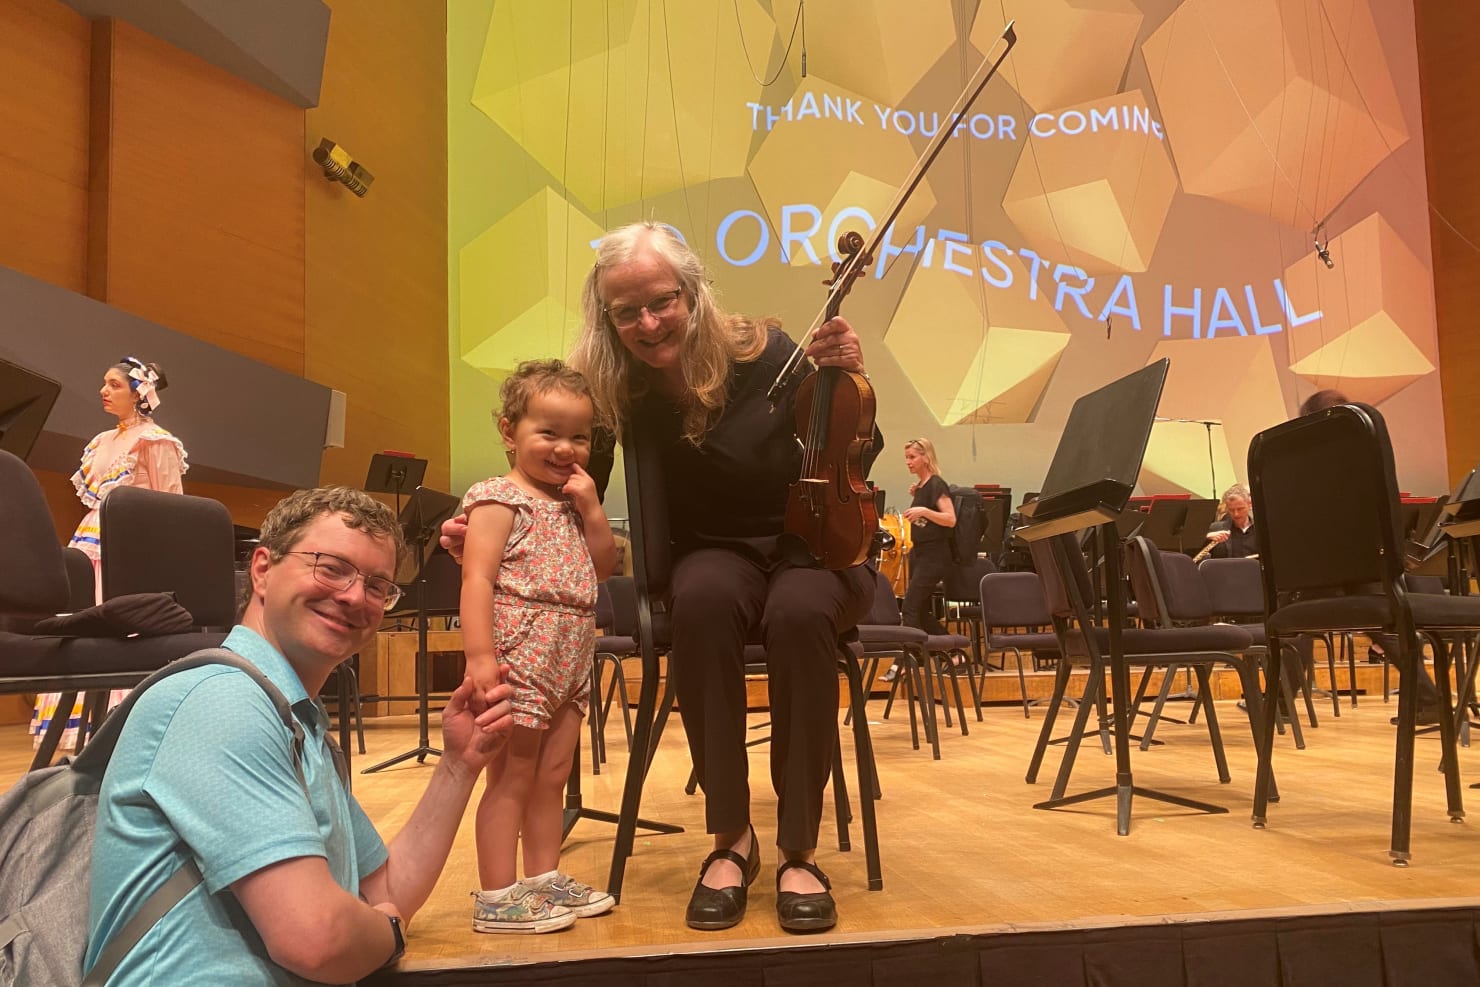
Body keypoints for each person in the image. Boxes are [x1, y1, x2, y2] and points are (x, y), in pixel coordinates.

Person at [443, 220, 881, 934]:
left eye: (662, 301)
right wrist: (489, 522)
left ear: (693, 292)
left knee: (800, 613)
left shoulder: (768, 352)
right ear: (606, 317)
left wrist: (847, 373)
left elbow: (855, 444)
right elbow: (560, 482)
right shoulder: (618, 390)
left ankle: (799, 849)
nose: (648, 323)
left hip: (812, 545)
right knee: (701, 601)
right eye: (627, 311)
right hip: (712, 553)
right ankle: (731, 840)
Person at [84, 487, 515, 984]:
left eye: (378, 586)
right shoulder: (221, 701)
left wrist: (458, 765)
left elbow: (385, 890)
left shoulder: (296, 724)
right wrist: (390, 933)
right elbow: (319, 940)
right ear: (262, 569)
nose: (355, 596)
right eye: (331, 568)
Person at [461, 360, 619, 933]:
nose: (565, 448)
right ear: (509, 431)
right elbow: (476, 579)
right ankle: (497, 895)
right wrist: (481, 658)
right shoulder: (498, 498)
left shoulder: (574, 503)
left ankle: (542, 878)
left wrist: (593, 508)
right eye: (548, 432)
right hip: (521, 650)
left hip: (572, 652)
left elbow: (604, 567)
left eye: (579, 436)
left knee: (554, 774)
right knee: (512, 774)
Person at [32, 356, 188, 749]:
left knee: (124, 624)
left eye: (114, 384)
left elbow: (171, 503)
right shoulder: (102, 441)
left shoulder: (156, 440)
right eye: (104, 383)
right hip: (91, 540)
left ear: (138, 394)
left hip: (131, 541)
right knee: (85, 620)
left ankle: (126, 723)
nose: (104, 391)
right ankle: (81, 723)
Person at [899, 437, 956, 635]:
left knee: (910, 607)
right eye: (906, 457)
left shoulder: (936, 484)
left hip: (934, 555)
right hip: (920, 553)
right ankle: (950, 648)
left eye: (912, 457)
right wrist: (918, 499)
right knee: (921, 611)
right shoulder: (922, 486)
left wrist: (923, 510)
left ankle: (909, 652)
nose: (908, 462)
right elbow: (928, 521)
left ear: (925, 457)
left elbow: (950, 519)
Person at [1204, 483, 1256, 559]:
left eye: (1240, 509)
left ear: (1249, 505)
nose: (1236, 514)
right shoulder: (1215, 528)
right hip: (1224, 567)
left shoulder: (1261, 529)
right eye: (1231, 510)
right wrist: (1206, 537)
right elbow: (1193, 557)